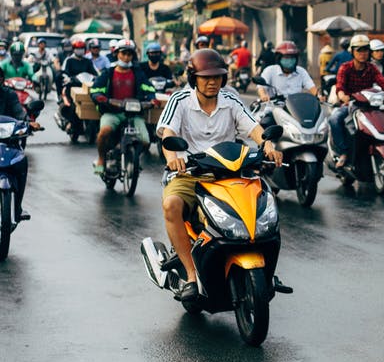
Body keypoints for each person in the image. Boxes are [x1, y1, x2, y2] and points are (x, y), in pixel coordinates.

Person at [157, 49, 282, 302]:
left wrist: (268, 145)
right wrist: (174, 159)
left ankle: (268, 272)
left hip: (230, 172)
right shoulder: (180, 100)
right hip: (191, 174)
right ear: (194, 78)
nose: (212, 82)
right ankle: (192, 276)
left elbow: (254, 128)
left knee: (264, 207)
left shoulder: (231, 100)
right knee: (171, 205)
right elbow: (168, 133)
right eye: (205, 77)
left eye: (217, 77)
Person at [331, 35, 384, 168]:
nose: (363, 54)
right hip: (351, 104)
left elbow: (383, 83)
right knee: (334, 119)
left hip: (370, 106)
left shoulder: (372, 68)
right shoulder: (345, 67)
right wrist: (343, 96)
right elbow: (340, 86)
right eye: (359, 50)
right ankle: (343, 152)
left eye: (366, 50)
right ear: (352, 51)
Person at [90, 39, 156, 174]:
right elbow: (95, 90)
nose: (126, 57)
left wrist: (152, 100)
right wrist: (101, 98)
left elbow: (149, 89)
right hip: (112, 112)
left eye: (129, 54)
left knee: (145, 141)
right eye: (123, 54)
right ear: (116, 54)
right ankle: (101, 159)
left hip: (134, 114)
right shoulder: (108, 72)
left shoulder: (138, 73)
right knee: (103, 133)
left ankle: (130, 156)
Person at [0, 78, 39, 217]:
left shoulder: (10, 95)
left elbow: (19, 112)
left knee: (21, 162)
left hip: (8, 139)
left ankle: (18, 208)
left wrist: (28, 122)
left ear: (1, 80)